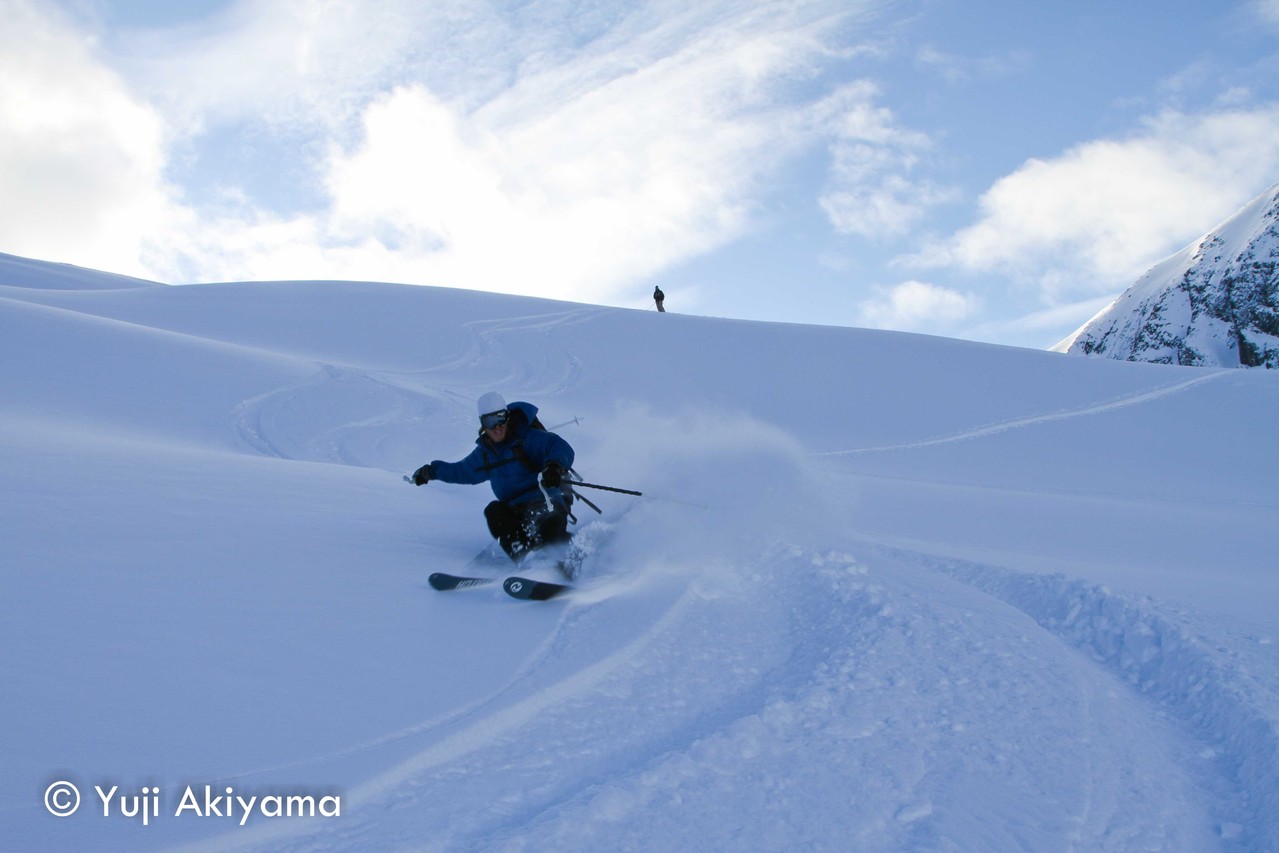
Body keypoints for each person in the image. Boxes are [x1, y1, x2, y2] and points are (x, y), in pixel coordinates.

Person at [411, 392, 575, 561]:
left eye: (500, 418)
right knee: (494, 511)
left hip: (546, 500)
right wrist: (430, 472)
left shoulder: (527, 438)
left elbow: (560, 446)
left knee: (549, 529)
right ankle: (524, 559)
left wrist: (554, 466)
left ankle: (567, 559)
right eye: (490, 421)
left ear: (507, 417)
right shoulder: (485, 455)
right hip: (515, 510)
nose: (497, 426)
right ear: (483, 424)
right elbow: (461, 472)